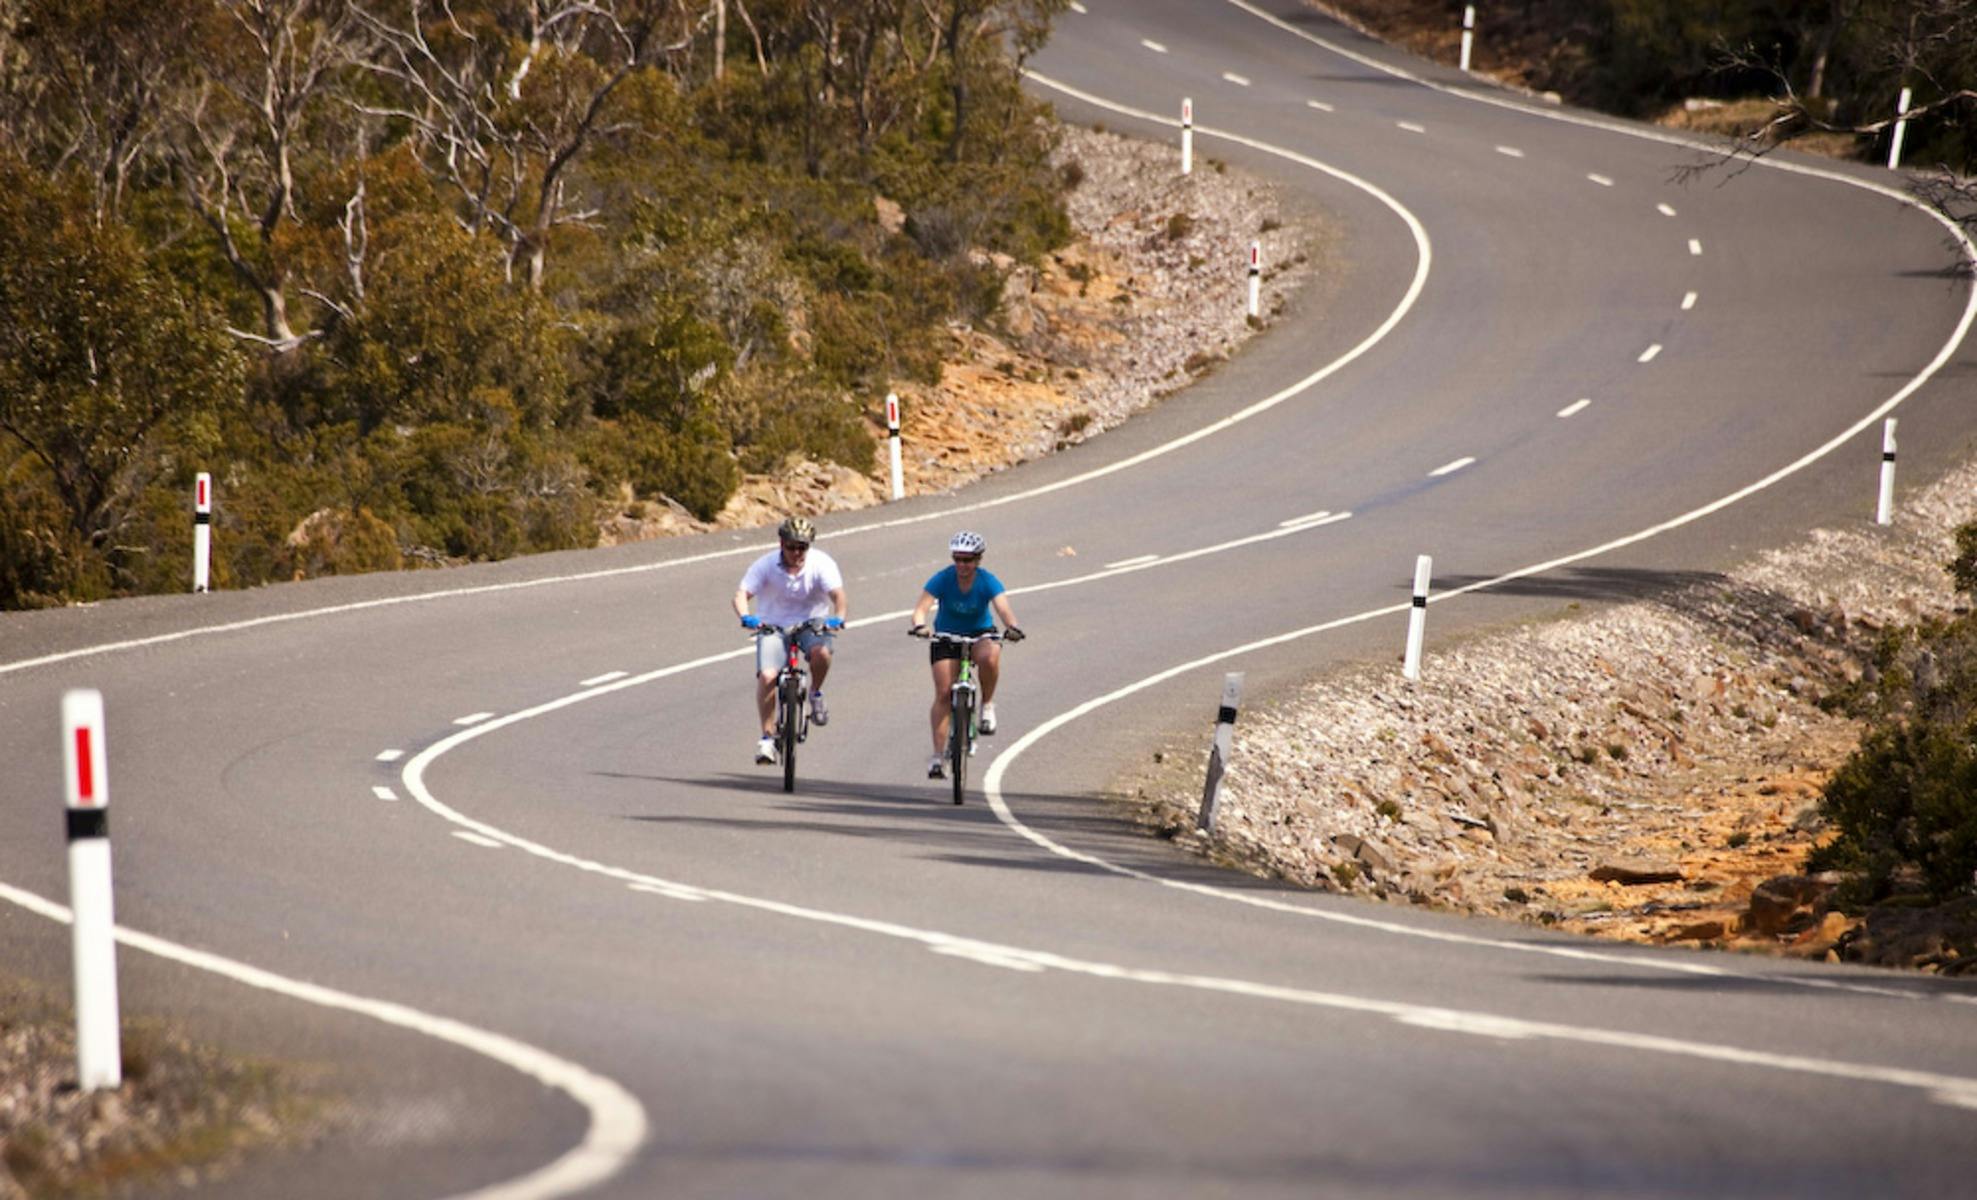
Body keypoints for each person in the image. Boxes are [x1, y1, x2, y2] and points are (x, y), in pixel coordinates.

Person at [908, 531, 1024, 779]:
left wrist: (1012, 627)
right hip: (947, 636)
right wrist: (920, 626)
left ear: (978, 560)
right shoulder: (942, 579)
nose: (962, 565)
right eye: (958, 559)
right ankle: (938, 757)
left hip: (979, 634)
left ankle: (987, 705)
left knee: (990, 655)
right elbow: (921, 609)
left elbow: (1003, 609)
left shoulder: (987, 581)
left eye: (968, 560)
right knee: (942, 693)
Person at [734, 516, 846, 765]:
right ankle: (767, 737)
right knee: (767, 677)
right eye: (792, 546)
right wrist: (746, 616)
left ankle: (815, 693)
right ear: (781, 544)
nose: (797, 552)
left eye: (803, 547)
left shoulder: (821, 563)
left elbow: (838, 596)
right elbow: (742, 594)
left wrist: (838, 618)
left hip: (812, 622)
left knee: (822, 654)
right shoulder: (764, 565)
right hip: (772, 625)